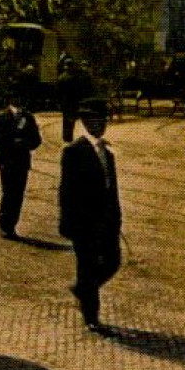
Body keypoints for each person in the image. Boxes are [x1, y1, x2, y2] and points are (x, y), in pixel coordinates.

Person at [58, 97, 122, 331]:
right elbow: (66, 191)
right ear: (85, 122)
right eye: (95, 120)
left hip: (106, 222)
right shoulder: (73, 152)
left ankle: (83, 290)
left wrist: (117, 218)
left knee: (113, 262)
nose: (100, 125)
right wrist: (68, 223)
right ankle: (91, 318)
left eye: (103, 120)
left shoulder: (108, 153)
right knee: (86, 266)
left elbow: (112, 189)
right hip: (84, 223)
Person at [0, 85, 42, 239]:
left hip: (22, 161)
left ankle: (12, 224)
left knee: (18, 194)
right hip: (6, 160)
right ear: (10, 99)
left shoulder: (28, 118)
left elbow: (36, 140)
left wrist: (26, 143)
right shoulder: (1, 118)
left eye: (20, 97)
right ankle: (5, 225)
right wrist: (12, 142)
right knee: (8, 192)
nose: (18, 100)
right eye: (15, 97)